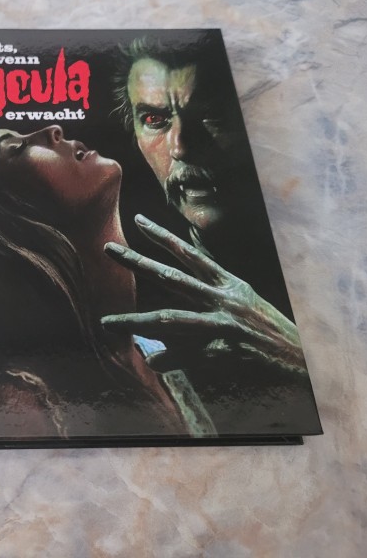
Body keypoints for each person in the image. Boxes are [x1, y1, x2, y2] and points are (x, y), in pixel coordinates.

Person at [0, 124, 207, 439]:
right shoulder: (21, 406)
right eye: (16, 149)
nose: (52, 130)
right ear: (9, 221)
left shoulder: (151, 350)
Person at [102, 33, 309, 377]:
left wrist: (291, 351)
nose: (180, 147)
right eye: (154, 120)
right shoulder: (133, 300)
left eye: (211, 114)